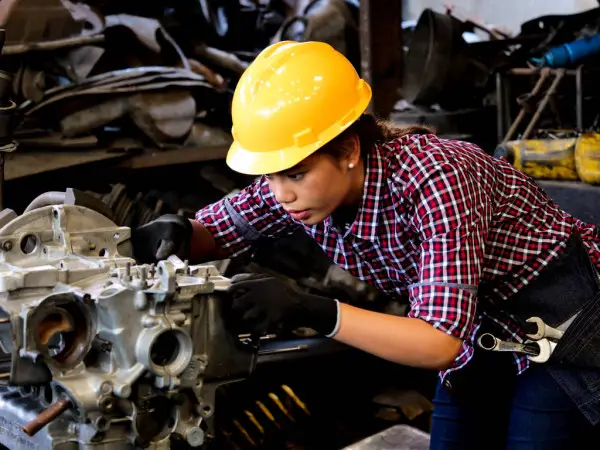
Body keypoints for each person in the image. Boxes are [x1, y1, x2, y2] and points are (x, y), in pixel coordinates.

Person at [132, 41, 600, 449]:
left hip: (560, 320)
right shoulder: (303, 189)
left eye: (294, 173)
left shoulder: (435, 179)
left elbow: (437, 342)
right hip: (478, 325)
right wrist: (176, 231)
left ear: (350, 150)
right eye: (268, 175)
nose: (280, 193)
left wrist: (315, 310)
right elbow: (215, 230)